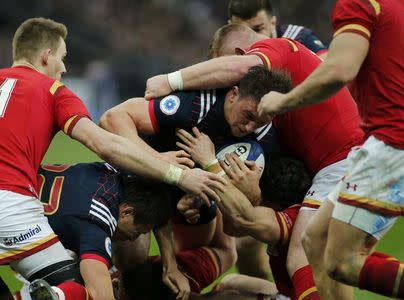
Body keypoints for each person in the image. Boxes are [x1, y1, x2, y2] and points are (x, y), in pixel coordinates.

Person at [0, 17, 225, 300]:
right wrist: (176, 173)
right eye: (62, 57)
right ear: (46, 57)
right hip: (11, 205)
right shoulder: (54, 92)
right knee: (77, 288)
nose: (65, 67)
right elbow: (104, 144)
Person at [144, 23, 364, 299]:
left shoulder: (277, 50)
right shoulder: (268, 125)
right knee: (234, 284)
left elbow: (244, 220)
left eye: (220, 65)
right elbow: (236, 224)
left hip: (342, 158)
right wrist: (205, 196)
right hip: (335, 162)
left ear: (239, 53)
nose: (223, 86)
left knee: (302, 252)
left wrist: (171, 81)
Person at [255, 0, 404, 299]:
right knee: (315, 241)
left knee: (343, 261)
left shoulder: (361, 3)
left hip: (394, 144)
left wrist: (281, 101)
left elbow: (340, 70)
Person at [176, 128, 314, 300]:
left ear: (272, 205)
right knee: (231, 282)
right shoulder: (295, 204)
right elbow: (235, 226)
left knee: (226, 297)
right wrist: (204, 195)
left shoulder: (294, 221)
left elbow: (238, 221)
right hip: (289, 291)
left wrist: (210, 163)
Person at [15, 162, 173, 300]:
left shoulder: (113, 171)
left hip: (13, 179)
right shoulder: (97, 223)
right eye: (137, 231)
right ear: (127, 212)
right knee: (78, 284)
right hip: (11, 219)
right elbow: (103, 297)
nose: (133, 239)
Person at [100, 65, 292, 170]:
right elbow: (112, 118)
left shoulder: (266, 140)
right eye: (248, 115)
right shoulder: (195, 106)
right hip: (143, 175)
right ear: (234, 94)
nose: (250, 127)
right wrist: (157, 160)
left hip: (193, 190)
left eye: (260, 122)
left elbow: (254, 206)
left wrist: (251, 190)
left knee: (222, 232)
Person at [227, 0, 328, 58]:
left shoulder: (298, 38)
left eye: (257, 29)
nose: (250, 38)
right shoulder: (224, 47)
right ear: (230, 27)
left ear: (273, 22)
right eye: (241, 30)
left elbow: (327, 64)